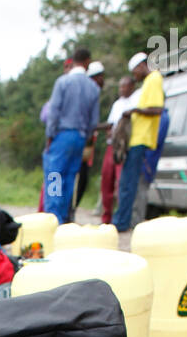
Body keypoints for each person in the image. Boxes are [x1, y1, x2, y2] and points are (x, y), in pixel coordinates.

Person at [42, 46, 99, 223]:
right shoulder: (93, 88)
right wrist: (86, 137)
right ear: (87, 62)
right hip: (80, 137)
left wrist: (50, 136)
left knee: (55, 175)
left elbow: (54, 112)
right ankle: (64, 219)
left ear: (73, 61)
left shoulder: (63, 82)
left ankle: (52, 217)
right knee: (69, 178)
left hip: (62, 135)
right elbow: (93, 121)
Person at [113, 50, 165, 232]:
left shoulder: (154, 79)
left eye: (134, 72)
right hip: (136, 138)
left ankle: (121, 222)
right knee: (126, 182)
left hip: (141, 139)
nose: (134, 76)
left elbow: (157, 109)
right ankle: (121, 219)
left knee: (128, 183)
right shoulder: (148, 83)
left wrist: (133, 111)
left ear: (141, 66)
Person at [100, 75, 134, 223]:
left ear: (131, 87)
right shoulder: (117, 104)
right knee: (106, 179)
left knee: (121, 182)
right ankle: (106, 215)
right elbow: (111, 124)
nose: (121, 89)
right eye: (120, 86)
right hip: (111, 146)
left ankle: (120, 216)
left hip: (123, 147)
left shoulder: (135, 101)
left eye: (124, 86)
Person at [73, 60, 105, 214]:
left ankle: (65, 210)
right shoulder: (87, 91)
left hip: (76, 141)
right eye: (100, 77)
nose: (102, 80)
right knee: (61, 177)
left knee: (76, 178)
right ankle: (56, 211)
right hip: (72, 140)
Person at [131, 105, 170, 228]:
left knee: (141, 189)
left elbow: (156, 139)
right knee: (137, 189)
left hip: (149, 158)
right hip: (144, 157)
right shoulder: (158, 116)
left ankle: (137, 220)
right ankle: (134, 219)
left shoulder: (162, 117)